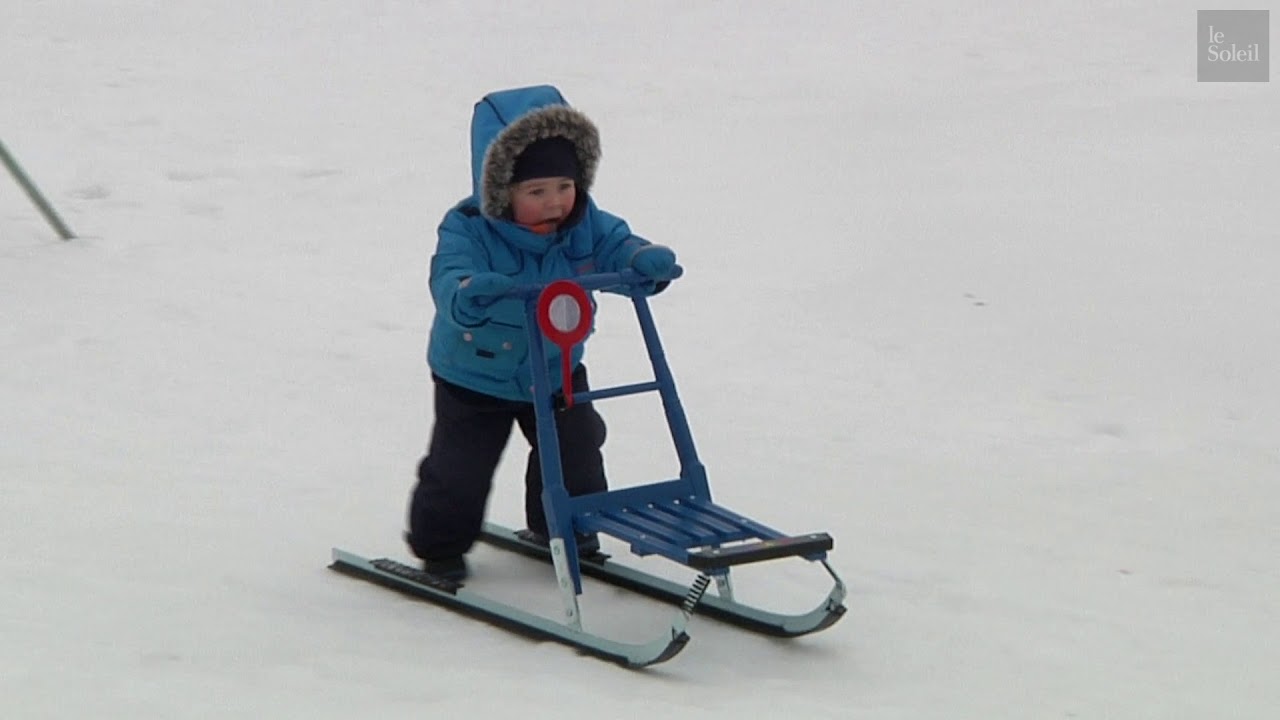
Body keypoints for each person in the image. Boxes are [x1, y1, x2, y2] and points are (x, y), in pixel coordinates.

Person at [405, 85, 679, 580]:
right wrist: (468, 294)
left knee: (578, 449)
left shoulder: (583, 223)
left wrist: (639, 259)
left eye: (564, 187)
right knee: (460, 470)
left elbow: (615, 245)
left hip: (555, 370)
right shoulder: (468, 228)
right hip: (475, 376)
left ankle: (568, 527)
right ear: (500, 188)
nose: (555, 203)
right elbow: (449, 275)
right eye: (536, 192)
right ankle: (439, 545)